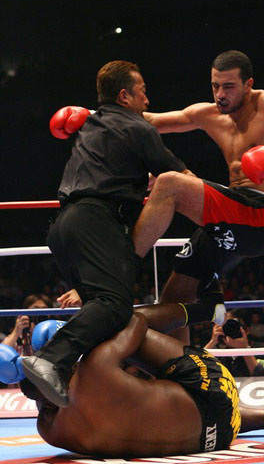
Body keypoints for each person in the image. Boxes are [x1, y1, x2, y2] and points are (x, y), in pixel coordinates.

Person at [51, 50, 264, 344]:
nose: (220, 94)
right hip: (229, 219)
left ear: (248, 84)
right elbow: (146, 120)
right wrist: (89, 114)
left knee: (170, 184)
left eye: (228, 86)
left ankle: (113, 271)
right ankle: (186, 372)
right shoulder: (208, 114)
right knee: (175, 297)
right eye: (215, 86)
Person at [22, 60, 217, 409]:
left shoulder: (89, 125)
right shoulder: (137, 128)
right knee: (113, 306)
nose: (147, 95)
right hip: (98, 222)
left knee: (105, 316)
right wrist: (228, 203)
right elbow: (186, 181)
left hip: (64, 226)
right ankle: (50, 359)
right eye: (141, 88)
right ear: (125, 95)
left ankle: (57, 388)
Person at [18, 301, 264, 457]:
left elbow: (53, 400)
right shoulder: (95, 370)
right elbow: (135, 321)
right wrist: (95, 323)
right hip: (215, 387)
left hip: (213, 439)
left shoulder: (50, 431)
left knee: (175, 412)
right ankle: (204, 308)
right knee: (127, 321)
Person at [204, 312, 264, 376]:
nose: (230, 329)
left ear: (246, 330)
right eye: (226, 326)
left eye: (233, 325)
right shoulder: (217, 353)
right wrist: (212, 342)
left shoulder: (262, 349)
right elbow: (196, 369)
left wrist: (245, 349)